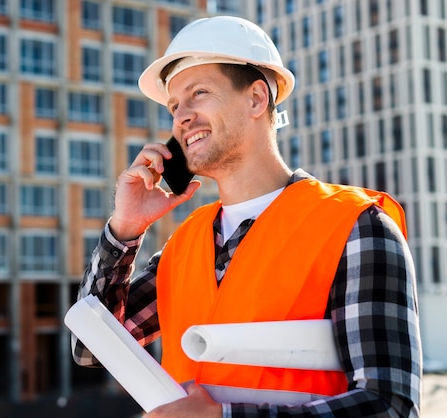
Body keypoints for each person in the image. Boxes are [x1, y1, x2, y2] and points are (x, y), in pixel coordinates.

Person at [71, 16, 422, 417]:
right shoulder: (185, 246)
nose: (180, 117)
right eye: (173, 106)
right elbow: (91, 349)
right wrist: (124, 229)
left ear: (256, 98)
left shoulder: (356, 227)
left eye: (198, 93)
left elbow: (390, 407)